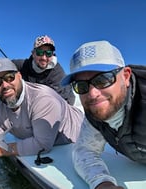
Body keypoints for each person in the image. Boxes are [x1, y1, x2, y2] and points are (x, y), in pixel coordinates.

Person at [61, 40, 146, 189]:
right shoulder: (95, 113)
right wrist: (102, 183)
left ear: (125, 77)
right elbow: (85, 150)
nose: (92, 94)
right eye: (81, 85)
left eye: (103, 80)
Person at [0, 35, 75, 105]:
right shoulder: (24, 64)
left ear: (52, 55)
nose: (44, 57)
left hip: (64, 101)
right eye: (39, 52)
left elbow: (57, 103)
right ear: (33, 53)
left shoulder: (57, 73)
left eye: (48, 53)